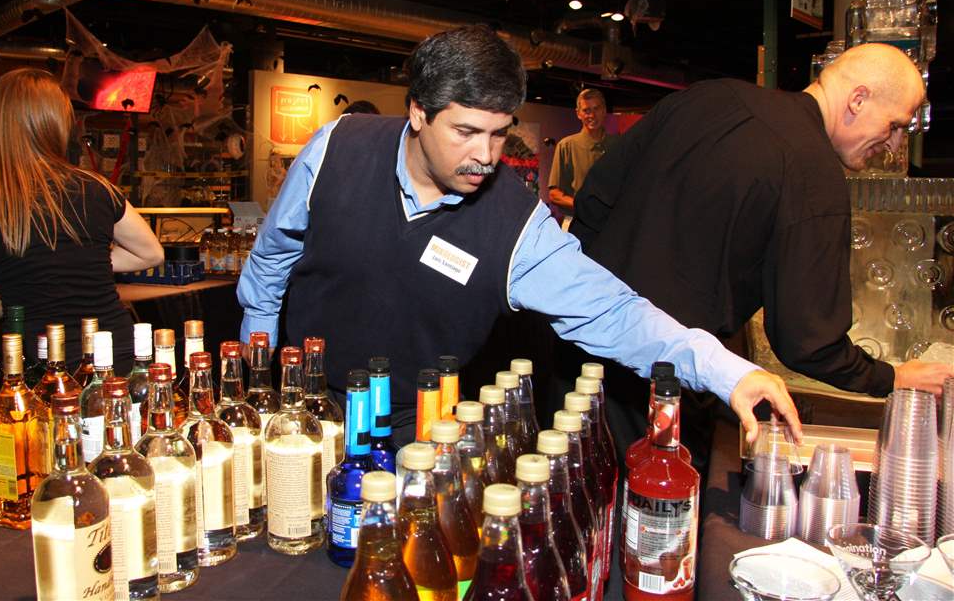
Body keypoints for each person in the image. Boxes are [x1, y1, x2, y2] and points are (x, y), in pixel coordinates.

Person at [237, 24, 800, 445]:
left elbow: (615, 313)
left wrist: (727, 372)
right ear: (418, 112)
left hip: (417, 427)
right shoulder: (337, 146)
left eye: (499, 134)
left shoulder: (516, 225)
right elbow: (273, 255)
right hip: (303, 402)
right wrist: (260, 361)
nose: (485, 156)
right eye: (466, 131)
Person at [569, 42, 953, 465]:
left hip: (580, 357)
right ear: (858, 99)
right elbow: (807, 340)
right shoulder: (813, 174)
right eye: (894, 125)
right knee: (651, 502)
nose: (895, 144)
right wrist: (892, 377)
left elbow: (593, 199)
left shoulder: (709, 96)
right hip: (663, 389)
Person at [0, 68, 164, 373]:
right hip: (116, 357)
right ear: (58, 123)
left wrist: (3, 300)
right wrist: (83, 261)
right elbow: (151, 254)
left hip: (39, 366)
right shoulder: (96, 188)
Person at [547, 88, 615, 227]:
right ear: (578, 114)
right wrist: (582, 206)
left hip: (611, 224)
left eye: (596, 109)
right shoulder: (566, 146)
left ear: (604, 111)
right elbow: (554, 194)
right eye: (586, 110)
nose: (592, 115)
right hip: (576, 222)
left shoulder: (618, 144)